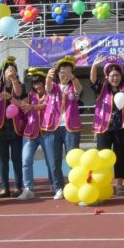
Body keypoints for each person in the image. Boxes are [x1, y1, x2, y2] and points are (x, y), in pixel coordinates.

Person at [90, 56, 124, 195]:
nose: (114, 78)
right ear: (107, 77)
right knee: (102, 157)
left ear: (121, 76)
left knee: (121, 156)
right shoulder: (101, 88)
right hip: (104, 128)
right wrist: (94, 65)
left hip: (121, 127)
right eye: (112, 75)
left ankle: (120, 184)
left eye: (117, 75)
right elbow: (93, 80)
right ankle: (104, 182)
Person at [0, 58, 27, 198]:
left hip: (16, 127)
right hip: (0, 127)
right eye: (8, 70)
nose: (11, 71)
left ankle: (18, 186)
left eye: (13, 70)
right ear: (3, 73)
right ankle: (5, 188)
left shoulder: (20, 85)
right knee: (3, 159)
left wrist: (13, 82)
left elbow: (18, 95)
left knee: (17, 158)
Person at [48, 57, 83, 189]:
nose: (65, 75)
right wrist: (48, 77)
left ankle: (76, 185)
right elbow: (47, 87)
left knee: (73, 159)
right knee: (54, 161)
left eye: (69, 72)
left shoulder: (73, 87)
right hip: (54, 127)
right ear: (58, 73)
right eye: (63, 72)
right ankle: (58, 188)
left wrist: (73, 78)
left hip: (71, 128)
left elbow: (79, 89)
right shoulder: (54, 86)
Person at [19, 69, 52, 195]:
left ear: (44, 83)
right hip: (30, 134)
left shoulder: (50, 94)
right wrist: (11, 99)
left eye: (39, 83)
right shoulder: (29, 95)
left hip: (46, 132)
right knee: (26, 160)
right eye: (35, 84)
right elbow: (22, 105)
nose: (37, 86)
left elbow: (47, 106)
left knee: (50, 161)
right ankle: (28, 188)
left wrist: (32, 107)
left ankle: (54, 185)